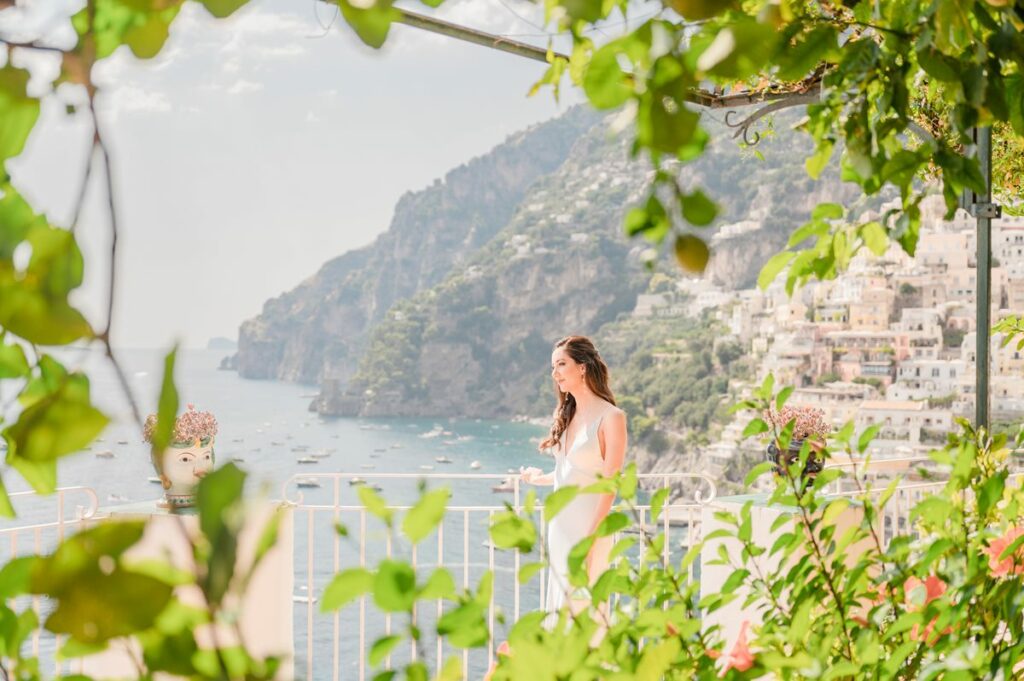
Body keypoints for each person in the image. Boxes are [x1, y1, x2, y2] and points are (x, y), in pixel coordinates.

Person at [520, 335, 628, 617]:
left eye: (561, 364)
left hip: (588, 530)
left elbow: (609, 487)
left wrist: (590, 542)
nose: (554, 374)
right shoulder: (567, 414)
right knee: (560, 612)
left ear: (582, 367)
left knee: (585, 614)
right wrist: (538, 478)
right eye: (552, 367)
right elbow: (572, 473)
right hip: (559, 529)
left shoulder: (611, 418)